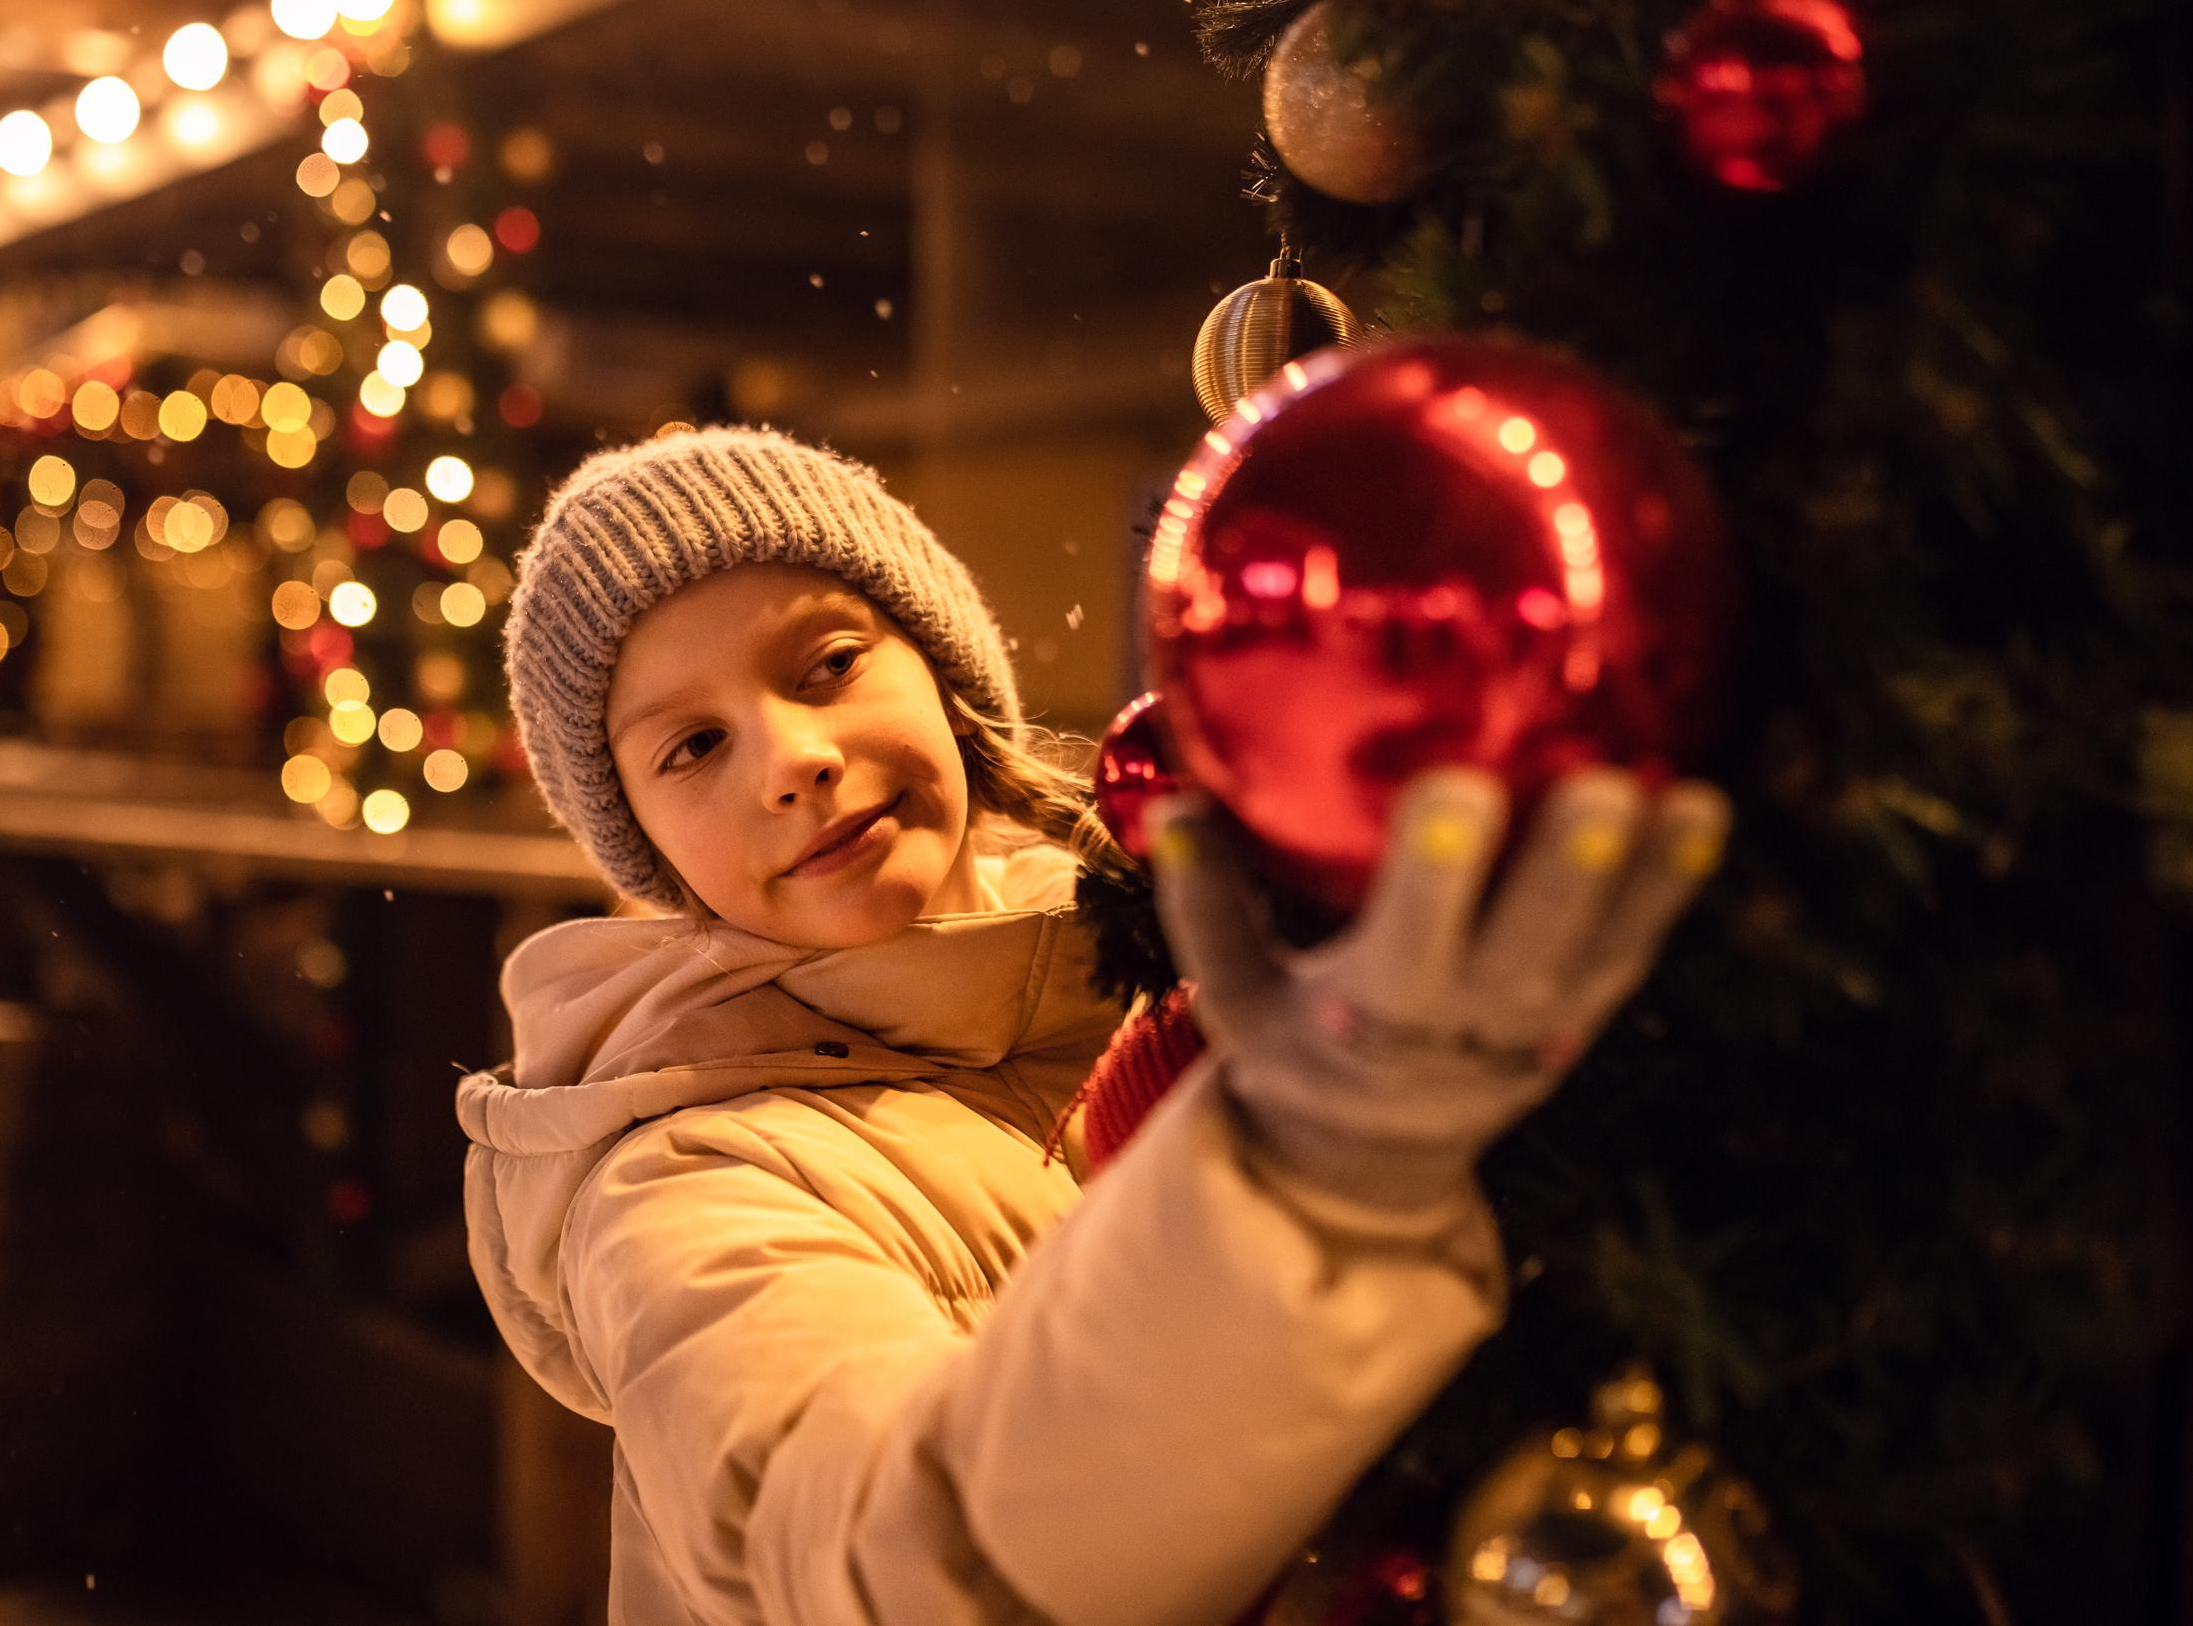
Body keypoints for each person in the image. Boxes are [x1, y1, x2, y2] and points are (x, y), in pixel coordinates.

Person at [458, 424, 1730, 1626]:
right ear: (642, 845)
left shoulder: (1177, 957)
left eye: (830, 663)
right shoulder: (684, 1181)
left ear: (940, 669)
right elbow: (877, 1559)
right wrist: (1315, 1169)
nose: (791, 757)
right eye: (690, 747)